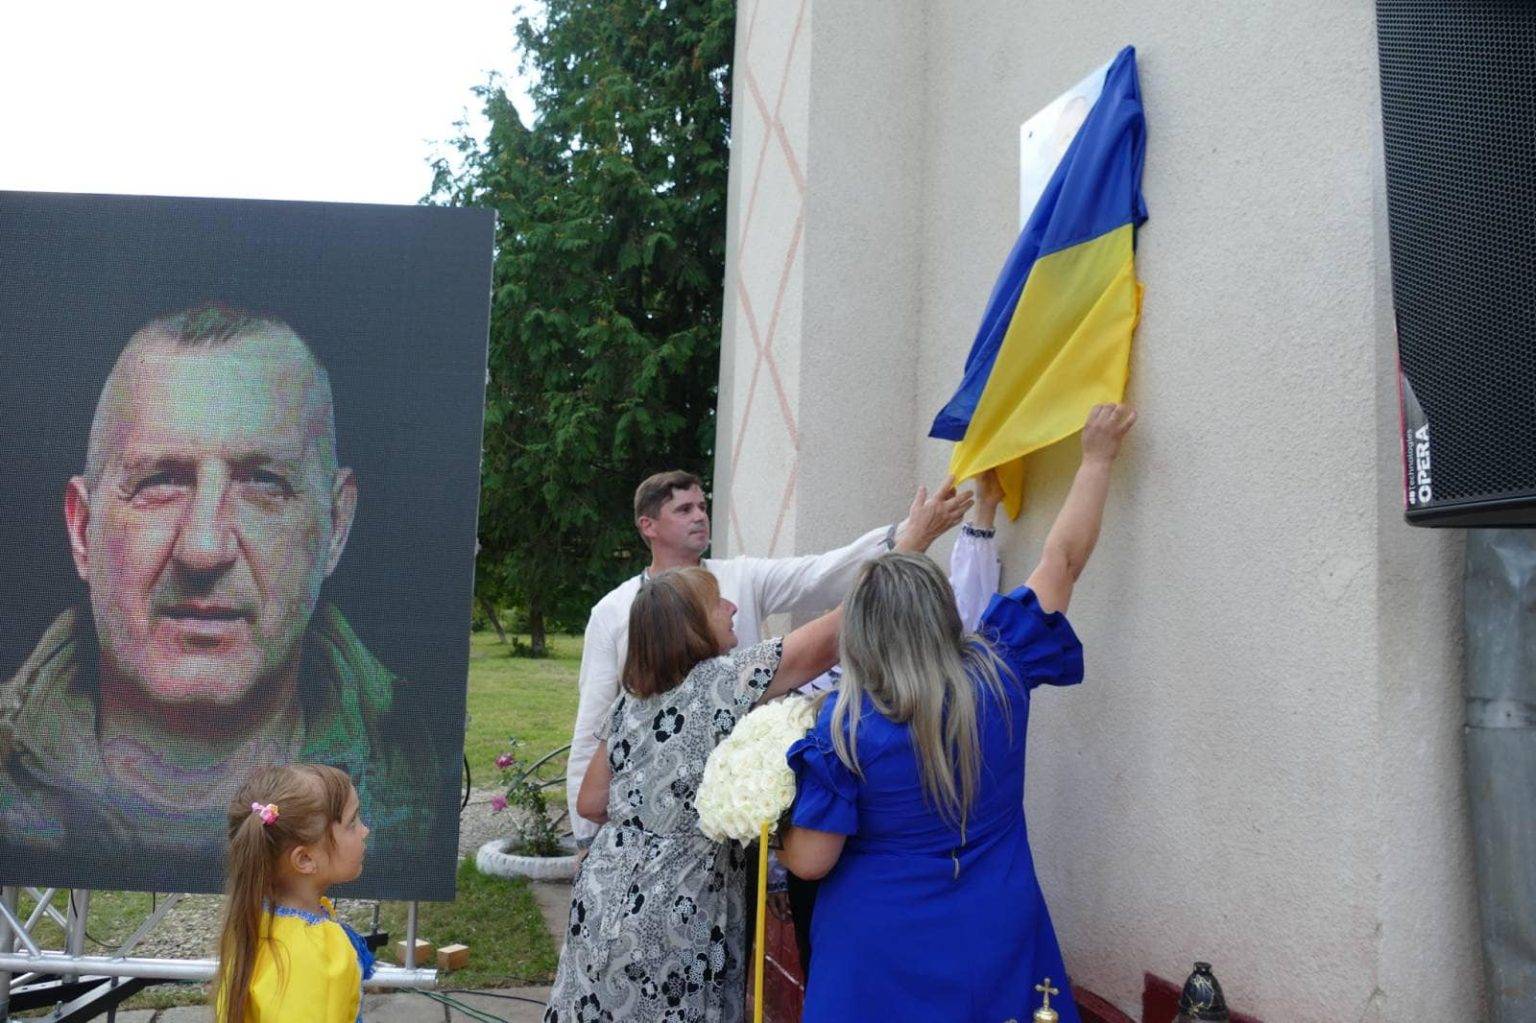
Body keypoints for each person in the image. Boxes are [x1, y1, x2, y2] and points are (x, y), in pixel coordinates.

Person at [0, 303, 435, 871]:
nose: (202, 549)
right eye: (161, 482)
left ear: (335, 527)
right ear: (82, 529)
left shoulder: (425, 787)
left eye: (262, 484)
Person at [542, 483, 968, 1023]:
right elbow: (834, 633)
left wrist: (651, 815)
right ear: (690, 626)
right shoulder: (721, 682)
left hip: (604, 892)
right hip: (679, 901)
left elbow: (592, 800)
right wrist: (915, 540)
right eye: (716, 601)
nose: (732, 605)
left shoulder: (635, 696)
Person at [778, 403, 1137, 1023]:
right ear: (944, 611)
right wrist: (1096, 459)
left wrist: (773, 825)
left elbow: (812, 859)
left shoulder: (843, 727)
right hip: (995, 925)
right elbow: (1063, 561)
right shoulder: (1003, 673)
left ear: (859, 634)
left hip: (877, 950)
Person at [564, 470, 954, 844]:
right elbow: (831, 635)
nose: (700, 516)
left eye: (703, 506)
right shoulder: (713, 675)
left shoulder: (628, 705)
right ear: (648, 526)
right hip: (707, 860)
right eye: (684, 509)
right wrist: (913, 540)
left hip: (623, 871)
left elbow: (820, 573)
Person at [774, 469, 1006, 975]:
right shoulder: (993, 691)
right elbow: (1041, 581)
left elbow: (970, 615)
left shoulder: (847, 721)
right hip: (933, 908)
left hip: (864, 907)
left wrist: (775, 832)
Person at [214, 762, 375, 1023]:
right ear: (305, 859)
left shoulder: (252, 920)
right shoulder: (316, 958)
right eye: (352, 823)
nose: (364, 830)